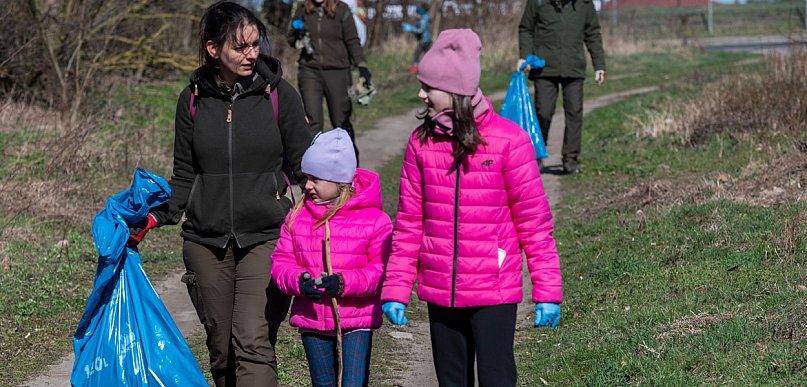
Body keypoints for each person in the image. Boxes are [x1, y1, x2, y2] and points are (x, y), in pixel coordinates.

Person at [127, 2, 313, 386]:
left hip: (267, 237)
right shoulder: (191, 102)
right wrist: (152, 217)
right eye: (240, 47)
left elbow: (305, 165)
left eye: (255, 44)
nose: (251, 54)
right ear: (213, 50)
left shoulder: (279, 95)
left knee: (253, 341)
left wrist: (335, 204)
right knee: (222, 349)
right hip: (205, 241)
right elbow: (184, 174)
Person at [380, 29, 563, 387]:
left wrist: (547, 292)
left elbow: (534, 225)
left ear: (453, 91)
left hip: (492, 289)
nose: (421, 93)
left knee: (497, 378)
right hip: (440, 289)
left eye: (427, 87)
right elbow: (408, 224)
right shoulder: (421, 144)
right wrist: (396, 289)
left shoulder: (510, 141)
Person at [271, 128, 392, 387]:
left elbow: (381, 270)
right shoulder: (297, 217)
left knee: (353, 383)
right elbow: (282, 261)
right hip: (313, 319)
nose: (308, 185)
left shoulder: (374, 220)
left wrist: (343, 283)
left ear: (339, 181)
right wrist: (298, 281)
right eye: (306, 177)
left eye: (316, 178)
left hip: (357, 321)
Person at [517, 0, 606, 174]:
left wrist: (599, 65)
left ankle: (570, 159)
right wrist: (525, 56)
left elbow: (593, 33)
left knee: (574, 112)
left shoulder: (584, 4)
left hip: (573, 67)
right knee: (543, 111)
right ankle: (537, 155)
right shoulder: (538, 2)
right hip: (544, 67)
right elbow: (526, 28)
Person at [288, 0, 371, 162]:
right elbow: (291, 38)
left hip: (337, 71)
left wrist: (362, 66)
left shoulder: (342, 10)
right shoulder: (303, 9)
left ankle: (351, 166)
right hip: (309, 70)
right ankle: (313, 170)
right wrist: (296, 35)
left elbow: (353, 41)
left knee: (341, 121)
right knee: (313, 122)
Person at [403, 3, 432, 74]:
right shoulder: (423, 19)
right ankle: (430, 69)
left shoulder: (423, 20)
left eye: (417, 14)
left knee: (416, 55)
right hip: (426, 40)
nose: (415, 15)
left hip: (424, 41)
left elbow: (420, 31)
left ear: (420, 14)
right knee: (428, 55)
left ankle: (415, 69)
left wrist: (410, 29)